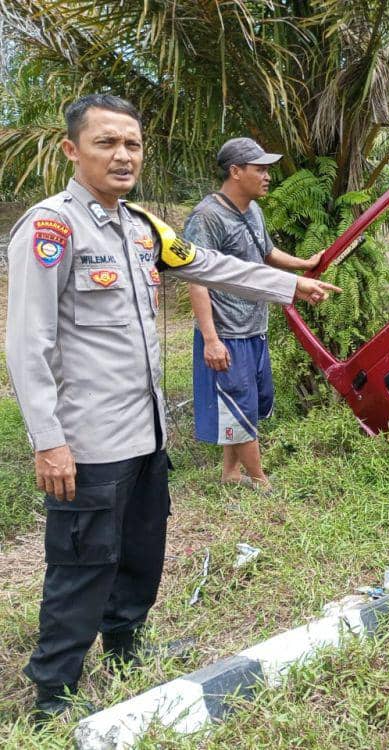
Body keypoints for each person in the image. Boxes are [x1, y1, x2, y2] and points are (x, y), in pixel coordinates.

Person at [4, 94, 337, 722]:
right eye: (106, 143)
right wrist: (48, 440)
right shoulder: (51, 228)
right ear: (73, 150)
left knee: (140, 550)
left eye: (131, 143)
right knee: (82, 564)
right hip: (89, 439)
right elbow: (27, 343)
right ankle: (54, 691)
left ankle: (127, 648)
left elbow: (209, 265)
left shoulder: (141, 228)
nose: (123, 155)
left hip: (146, 430)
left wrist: (292, 286)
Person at [183, 138, 322, 491]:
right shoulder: (207, 217)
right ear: (235, 171)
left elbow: (267, 253)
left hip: (254, 326)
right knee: (238, 401)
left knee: (245, 403)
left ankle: (231, 473)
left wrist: (305, 264)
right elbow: (195, 279)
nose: (268, 176)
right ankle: (261, 481)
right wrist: (211, 340)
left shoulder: (253, 211)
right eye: (260, 169)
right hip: (226, 332)